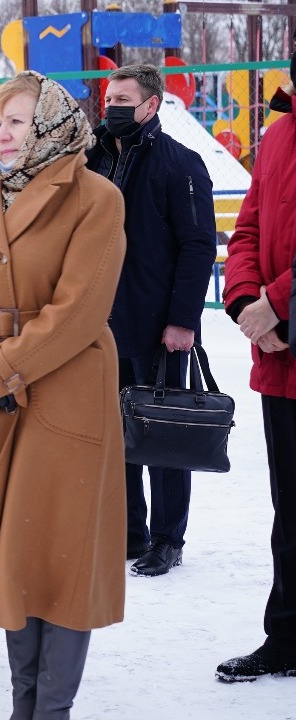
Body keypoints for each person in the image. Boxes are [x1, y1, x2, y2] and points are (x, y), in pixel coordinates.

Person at [0, 71, 127, 720]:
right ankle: (24, 705)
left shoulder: (94, 197)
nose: (2, 134)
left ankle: (52, 710)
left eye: (17, 121)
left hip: (62, 393)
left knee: (60, 558)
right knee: (11, 555)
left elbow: (78, 312)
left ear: (51, 124)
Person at [85, 63, 217, 579]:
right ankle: (128, 530)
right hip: (100, 323)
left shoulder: (180, 163)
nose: (111, 108)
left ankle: (166, 537)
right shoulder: (93, 159)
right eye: (108, 99)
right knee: (114, 432)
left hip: (158, 323)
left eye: (123, 100)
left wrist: (182, 320)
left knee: (162, 432)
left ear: (151, 105)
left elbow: (198, 246)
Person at [218, 50, 296, 684]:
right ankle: (288, 635)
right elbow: (247, 229)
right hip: (280, 357)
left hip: (282, 325)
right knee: (290, 512)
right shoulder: (278, 133)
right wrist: (248, 302)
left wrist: (279, 303)